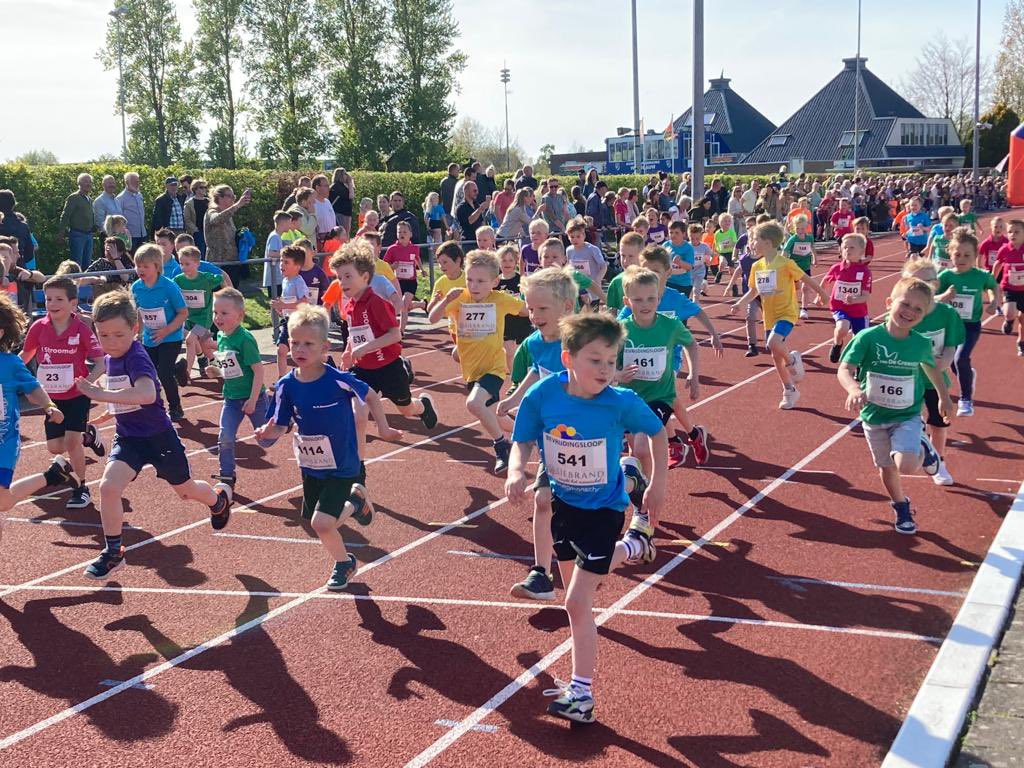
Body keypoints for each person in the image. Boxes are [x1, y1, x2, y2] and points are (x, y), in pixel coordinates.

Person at [505, 312, 667, 724]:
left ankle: (582, 694)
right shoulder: (543, 396)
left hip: (605, 509)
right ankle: (634, 545)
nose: (605, 370)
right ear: (568, 359)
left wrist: (659, 484)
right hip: (564, 506)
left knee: (578, 602)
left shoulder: (622, 402)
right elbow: (521, 442)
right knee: (573, 592)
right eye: (595, 360)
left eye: (611, 361)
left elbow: (659, 432)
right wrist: (514, 471)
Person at [74, 291, 234, 579]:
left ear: (135, 329)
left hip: (159, 438)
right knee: (108, 487)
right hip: (128, 438)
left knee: (185, 492)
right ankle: (113, 552)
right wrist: (108, 411)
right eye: (103, 335)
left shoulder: (137, 357)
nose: (111, 342)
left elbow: (147, 394)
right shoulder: (111, 359)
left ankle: (218, 500)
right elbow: (126, 394)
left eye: (119, 335)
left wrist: (100, 393)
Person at [255, 305, 398, 591]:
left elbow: (370, 395)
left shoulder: (337, 379)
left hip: (343, 464)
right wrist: (267, 432)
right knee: (314, 520)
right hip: (312, 465)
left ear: (324, 347)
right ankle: (353, 516)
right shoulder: (286, 385)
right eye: (295, 343)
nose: (300, 349)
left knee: (322, 523)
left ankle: (344, 559)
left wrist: (382, 427)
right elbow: (281, 425)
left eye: (308, 343)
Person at [837, 278, 949, 535]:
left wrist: (944, 397)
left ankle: (922, 445)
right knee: (887, 468)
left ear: (924, 317)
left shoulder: (920, 343)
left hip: (907, 415)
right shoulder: (868, 338)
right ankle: (901, 506)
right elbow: (845, 368)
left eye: (918, 309)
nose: (910, 311)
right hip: (873, 417)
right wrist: (854, 388)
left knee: (906, 465)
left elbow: (932, 370)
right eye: (905, 303)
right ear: (889, 303)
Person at [498, 267, 577, 601]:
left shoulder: (579, 341)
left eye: (543, 309)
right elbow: (535, 372)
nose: (534, 315)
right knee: (543, 500)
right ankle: (541, 574)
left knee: (581, 513)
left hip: (588, 439)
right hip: (554, 440)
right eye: (530, 308)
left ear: (567, 307)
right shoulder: (533, 343)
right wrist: (515, 398)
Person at [427, 250, 528, 473]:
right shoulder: (460, 298)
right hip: (472, 371)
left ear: (495, 282)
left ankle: (502, 446)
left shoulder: (500, 299)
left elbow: (526, 310)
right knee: (498, 419)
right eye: (470, 279)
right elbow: (432, 318)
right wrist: (445, 300)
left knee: (473, 404)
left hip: (494, 368)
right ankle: (534, 434)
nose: (474, 285)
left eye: (481, 281)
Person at [0, 293, 85, 544]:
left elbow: (33, 388)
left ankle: (53, 474)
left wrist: (48, 405)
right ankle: (53, 475)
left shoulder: (10, 364)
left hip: (4, 442)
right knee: (4, 503)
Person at [19, 275, 106, 510]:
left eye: (58, 299)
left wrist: (86, 383)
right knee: (55, 448)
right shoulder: (38, 328)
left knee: (72, 442)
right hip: (50, 398)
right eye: (48, 299)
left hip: (77, 395)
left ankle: (81, 489)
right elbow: (24, 358)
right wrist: (14, 376)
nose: (52, 304)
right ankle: (88, 434)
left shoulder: (82, 329)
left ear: (73, 304)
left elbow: (100, 363)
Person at [333, 243, 438, 431]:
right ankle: (359, 460)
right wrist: (349, 352)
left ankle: (422, 406)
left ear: (365, 277)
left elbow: (395, 334)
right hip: (363, 369)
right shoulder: (349, 306)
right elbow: (353, 333)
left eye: (348, 276)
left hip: (389, 367)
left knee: (406, 410)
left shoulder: (377, 303)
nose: (343, 282)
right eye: (339, 278)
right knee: (358, 413)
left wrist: (365, 347)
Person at [731, 221, 829, 410]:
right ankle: (789, 390)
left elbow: (806, 278)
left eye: (754, 239)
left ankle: (792, 361)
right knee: (776, 356)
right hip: (770, 315)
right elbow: (753, 291)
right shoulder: (756, 266)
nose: (751, 243)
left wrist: (822, 293)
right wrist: (739, 303)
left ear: (768, 243)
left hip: (787, 312)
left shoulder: (785, 263)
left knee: (773, 343)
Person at [903, 258, 964, 487]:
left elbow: (950, 346)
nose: (920, 287)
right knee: (910, 421)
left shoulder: (946, 313)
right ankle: (920, 448)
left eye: (926, 281)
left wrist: (944, 362)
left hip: (935, 379)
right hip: (908, 377)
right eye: (914, 281)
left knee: (938, 423)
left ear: (935, 284)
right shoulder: (903, 312)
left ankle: (939, 461)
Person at [203, 288, 269, 488]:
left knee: (265, 441)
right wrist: (217, 372)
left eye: (224, 313)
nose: (217, 317)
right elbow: (232, 369)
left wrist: (253, 398)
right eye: (215, 312)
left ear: (240, 316)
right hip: (231, 398)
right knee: (225, 436)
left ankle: (283, 420)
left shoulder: (245, 339)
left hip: (254, 398)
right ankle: (227, 475)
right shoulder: (222, 337)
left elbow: (258, 371)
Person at [937, 229, 1002, 414]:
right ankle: (967, 375)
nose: (962, 258)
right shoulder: (945, 277)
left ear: (975, 256)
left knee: (960, 358)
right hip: (949, 327)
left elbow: (993, 286)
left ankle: (966, 400)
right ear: (950, 253)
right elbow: (931, 298)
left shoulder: (980, 275)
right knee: (952, 363)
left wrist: (994, 301)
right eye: (957, 254)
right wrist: (945, 296)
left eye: (967, 255)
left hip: (970, 326)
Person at [129, 244, 188, 421]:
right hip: (150, 337)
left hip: (171, 336)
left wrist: (167, 330)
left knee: (163, 372)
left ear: (157, 266)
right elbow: (139, 310)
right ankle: (177, 368)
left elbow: (183, 312)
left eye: (145, 266)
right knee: (149, 373)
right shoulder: (136, 287)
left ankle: (175, 406)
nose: (141, 270)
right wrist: (138, 330)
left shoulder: (169, 286)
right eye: (138, 266)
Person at [172, 246, 224, 385]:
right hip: (189, 318)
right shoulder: (178, 280)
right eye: (181, 264)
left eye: (187, 264)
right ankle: (229, 349)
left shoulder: (206, 278)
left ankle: (186, 373)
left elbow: (222, 277)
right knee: (206, 343)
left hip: (203, 318)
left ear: (197, 264)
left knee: (190, 340)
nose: (184, 267)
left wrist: (226, 296)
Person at [819, 233, 872, 363]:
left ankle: (857, 365)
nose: (847, 250)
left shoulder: (865, 272)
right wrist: (820, 294)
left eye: (852, 248)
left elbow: (866, 295)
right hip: (840, 307)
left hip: (859, 311)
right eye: (845, 247)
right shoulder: (837, 268)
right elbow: (825, 280)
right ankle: (837, 344)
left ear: (861, 252)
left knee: (860, 340)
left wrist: (854, 299)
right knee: (842, 327)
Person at [272, 245, 311, 380]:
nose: (281, 265)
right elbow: (287, 302)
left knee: (305, 354)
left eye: (286, 262)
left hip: (299, 323)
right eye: (281, 261)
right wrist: (280, 308)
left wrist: (285, 304)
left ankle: (325, 366)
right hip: (287, 321)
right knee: (281, 351)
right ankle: (281, 379)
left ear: (297, 266)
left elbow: (304, 302)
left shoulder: (298, 281)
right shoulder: (285, 281)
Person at [204, 185, 252, 288]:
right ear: (219, 197)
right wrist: (238, 205)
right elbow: (216, 219)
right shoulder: (211, 212)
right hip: (218, 263)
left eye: (234, 196)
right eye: (230, 196)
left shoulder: (229, 216)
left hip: (232, 262)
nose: (234, 199)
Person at [384, 221, 425, 332]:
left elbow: (417, 258)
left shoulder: (415, 248)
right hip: (398, 282)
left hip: (411, 281)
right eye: (399, 232)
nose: (402, 234)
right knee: (404, 306)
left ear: (410, 234)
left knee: (404, 304)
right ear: (397, 234)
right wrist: (392, 266)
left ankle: (401, 331)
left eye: (405, 232)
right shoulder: (392, 249)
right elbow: (385, 265)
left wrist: (421, 269)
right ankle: (422, 304)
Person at [992, 219, 1024, 355]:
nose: (1013, 234)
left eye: (1017, 232)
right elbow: (998, 264)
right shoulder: (1005, 249)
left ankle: (1021, 341)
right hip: (1010, 287)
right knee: (1010, 312)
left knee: (1023, 318)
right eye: (1010, 232)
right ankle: (1009, 321)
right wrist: (992, 279)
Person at [566, 217, 607, 304]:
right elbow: (569, 267)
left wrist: (598, 278)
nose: (575, 239)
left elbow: (603, 265)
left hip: (592, 289)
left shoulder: (592, 249)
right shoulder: (569, 250)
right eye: (572, 237)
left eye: (578, 236)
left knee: (592, 315)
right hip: (577, 290)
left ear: (584, 235)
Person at [58, 173, 95, 266]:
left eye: (90, 182)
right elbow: (65, 215)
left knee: (87, 263)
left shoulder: (89, 199)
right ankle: (76, 280)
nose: (88, 184)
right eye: (86, 182)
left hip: (88, 235)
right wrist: (61, 233)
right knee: (77, 263)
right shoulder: (74, 197)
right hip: (77, 235)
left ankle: (86, 281)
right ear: (79, 183)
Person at [783, 214, 816, 318]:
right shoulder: (793, 239)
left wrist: (815, 257)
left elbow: (812, 248)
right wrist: (783, 262)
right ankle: (789, 306)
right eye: (797, 228)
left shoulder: (809, 238)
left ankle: (804, 309)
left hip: (805, 266)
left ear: (806, 228)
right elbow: (785, 251)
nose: (800, 230)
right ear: (794, 228)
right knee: (793, 288)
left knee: (805, 288)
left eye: (802, 228)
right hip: (794, 267)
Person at [605, 232, 644, 314]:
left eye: (631, 256)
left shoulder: (651, 279)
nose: (626, 261)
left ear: (642, 255)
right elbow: (612, 312)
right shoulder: (616, 282)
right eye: (623, 256)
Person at [116, 172, 147, 252]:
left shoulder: (139, 195)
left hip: (142, 234)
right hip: (130, 236)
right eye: (134, 182)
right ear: (127, 182)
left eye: (138, 181)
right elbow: (119, 219)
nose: (137, 184)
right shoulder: (120, 198)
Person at [183, 178, 210, 256]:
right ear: (195, 189)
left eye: (205, 187)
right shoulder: (189, 203)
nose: (204, 189)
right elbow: (187, 219)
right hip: (198, 233)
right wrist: (195, 230)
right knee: (200, 253)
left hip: (208, 232)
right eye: (201, 187)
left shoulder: (209, 201)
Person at [329, 168, 355, 234]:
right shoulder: (337, 186)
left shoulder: (343, 185)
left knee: (346, 233)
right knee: (343, 233)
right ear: (340, 175)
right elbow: (351, 196)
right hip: (341, 213)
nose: (347, 176)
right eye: (345, 174)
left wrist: (350, 183)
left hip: (346, 213)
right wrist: (349, 182)